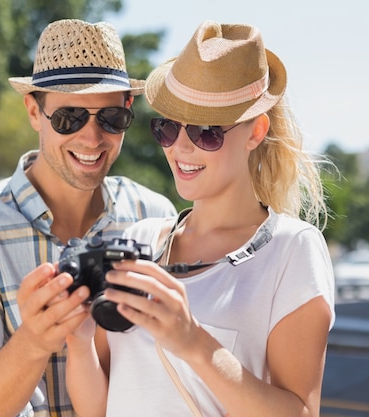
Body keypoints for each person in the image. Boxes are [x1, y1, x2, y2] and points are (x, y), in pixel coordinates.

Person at [64, 20, 335, 417]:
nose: (182, 148)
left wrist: (193, 342)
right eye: (169, 128)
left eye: (207, 131)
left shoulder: (292, 250)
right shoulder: (142, 240)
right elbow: (97, 410)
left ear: (256, 131)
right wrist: (78, 338)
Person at [0, 19, 177, 417]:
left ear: (129, 110)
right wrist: (34, 341)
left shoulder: (156, 215)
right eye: (69, 118)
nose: (92, 138)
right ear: (34, 111)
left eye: (110, 117)